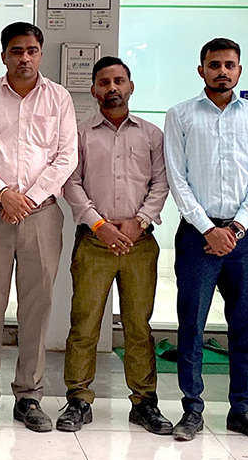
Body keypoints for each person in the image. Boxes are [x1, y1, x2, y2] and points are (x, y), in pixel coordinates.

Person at [0, 22, 77, 433]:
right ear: (4, 56)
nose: (24, 58)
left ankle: (29, 395)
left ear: (40, 54)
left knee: (37, 306)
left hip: (42, 215)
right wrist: (3, 193)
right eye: (16, 51)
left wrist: (28, 198)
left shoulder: (59, 97)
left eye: (31, 50)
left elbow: (66, 156)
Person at [163, 37, 248, 443]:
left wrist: (236, 228)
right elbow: (177, 178)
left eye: (229, 65)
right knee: (191, 325)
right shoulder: (180, 115)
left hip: (244, 237)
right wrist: (208, 229)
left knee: (245, 327)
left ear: (239, 71)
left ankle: (241, 410)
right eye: (214, 65)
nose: (222, 71)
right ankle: (192, 409)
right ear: (201, 70)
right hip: (198, 237)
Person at [58, 56, 171, 435]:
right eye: (104, 82)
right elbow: (71, 182)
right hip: (95, 241)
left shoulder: (151, 135)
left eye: (119, 81)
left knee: (138, 325)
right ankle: (78, 398)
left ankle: (144, 402)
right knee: (84, 324)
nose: (112, 88)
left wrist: (140, 222)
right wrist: (100, 224)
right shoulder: (80, 134)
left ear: (131, 86)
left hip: (140, 243)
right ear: (93, 90)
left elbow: (161, 182)